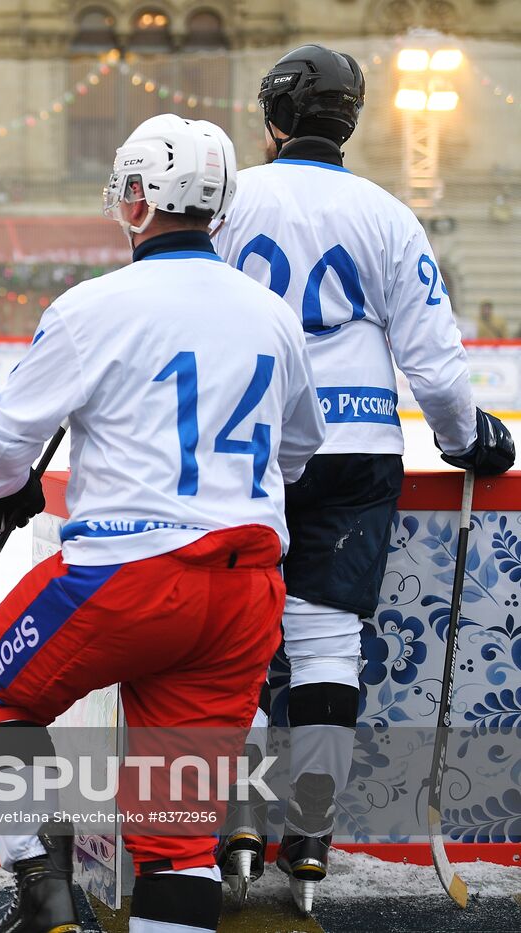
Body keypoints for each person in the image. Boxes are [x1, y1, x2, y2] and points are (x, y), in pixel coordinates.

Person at [0, 114, 326, 933]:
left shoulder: (96, 307)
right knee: (178, 834)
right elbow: (298, 452)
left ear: (135, 199)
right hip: (244, 595)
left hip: (128, 578)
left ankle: (42, 895)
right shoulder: (272, 315)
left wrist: (6, 484)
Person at [214, 44, 515, 913]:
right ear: (349, 121)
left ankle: (235, 816)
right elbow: (435, 364)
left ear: (273, 119)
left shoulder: (230, 196)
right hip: (355, 446)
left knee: (231, 633)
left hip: (245, 442)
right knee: (325, 639)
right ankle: (307, 831)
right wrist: (470, 440)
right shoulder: (387, 215)